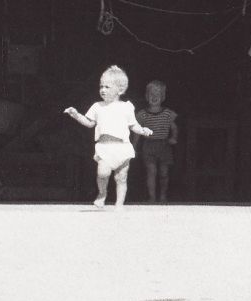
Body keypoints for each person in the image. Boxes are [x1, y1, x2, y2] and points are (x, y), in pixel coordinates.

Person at [63, 65, 152, 208]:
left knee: (121, 178)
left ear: (120, 90)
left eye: (107, 87)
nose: (102, 90)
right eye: (101, 86)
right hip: (104, 147)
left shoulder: (127, 107)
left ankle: (119, 204)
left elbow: (133, 125)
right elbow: (89, 123)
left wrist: (143, 130)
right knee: (102, 173)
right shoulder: (97, 106)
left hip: (122, 147)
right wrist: (76, 115)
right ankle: (102, 193)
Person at [134, 79, 180, 204]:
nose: (154, 97)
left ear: (163, 97)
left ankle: (163, 196)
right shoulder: (142, 114)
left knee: (164, 173)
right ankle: (152, 198)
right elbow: (137, 131)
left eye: (157, 94)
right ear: (146, 96)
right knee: (151, 172)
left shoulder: (168, 114)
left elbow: (174, 127)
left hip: (164, 145)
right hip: (148, 146)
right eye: (151, 94)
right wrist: (134, 146)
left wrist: (173, 138)